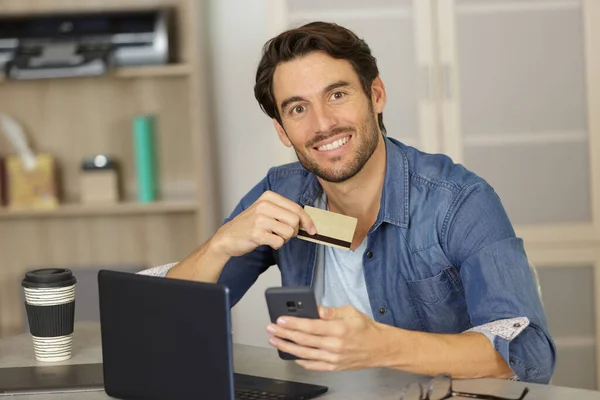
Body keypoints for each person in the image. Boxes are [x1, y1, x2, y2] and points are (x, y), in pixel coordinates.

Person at [141, 21, 555, 383]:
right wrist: (220, 245)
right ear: (283, 130)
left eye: (337, 95)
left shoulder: (460, 202)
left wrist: (380, 347)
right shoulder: (281, 192)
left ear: (376, 95)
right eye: (298, 108)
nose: (322, 124)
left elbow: (531, 352)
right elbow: (160, 323)